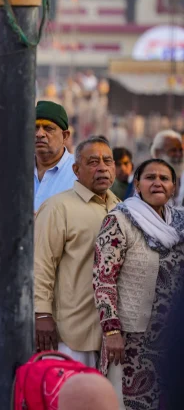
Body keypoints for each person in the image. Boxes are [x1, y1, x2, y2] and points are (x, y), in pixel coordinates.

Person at [93, 158, 184, 408]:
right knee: (130, 402)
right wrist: (111, 331)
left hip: (171, 334)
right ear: (137, 185)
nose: (157, 183)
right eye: (150, 177)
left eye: (164, 179)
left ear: (174, 187)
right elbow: (103, 278)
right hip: (131, 337)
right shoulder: (120, 220)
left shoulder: (181, 223)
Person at [34, 137, 119, 365]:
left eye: (107, 161)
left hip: (111, 335)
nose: (102, 167)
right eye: (93, 162)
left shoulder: (120, 208)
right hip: (71, 333)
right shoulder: (58, 207)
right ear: (76, 169)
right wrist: (42, 313)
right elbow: (41, 264)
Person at [34, 100, 76, 211]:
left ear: (65, 136)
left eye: (48, 128)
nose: (39, 134)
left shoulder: (79, 173)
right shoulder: (17, 171)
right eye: (35, 128)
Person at [149, 129, 184, 205]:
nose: (179, 155)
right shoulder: (145, 181)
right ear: (158, 153)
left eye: (180, 150)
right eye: (173, 150)